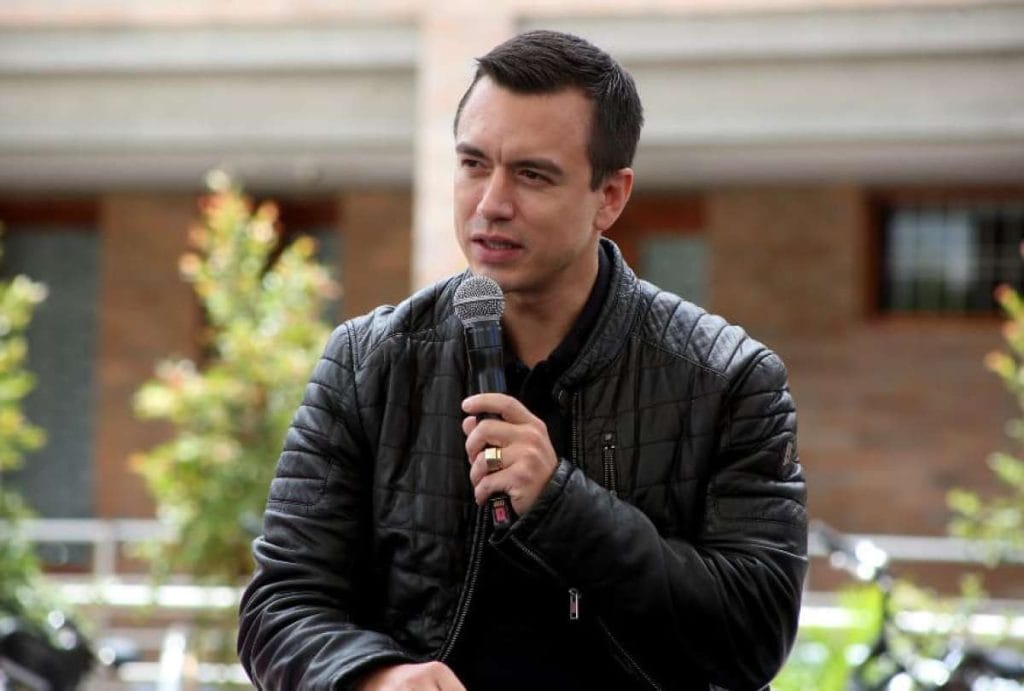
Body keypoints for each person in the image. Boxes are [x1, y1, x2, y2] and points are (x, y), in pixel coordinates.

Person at [237, 30, 807, 691]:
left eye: (532, 175)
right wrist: (375, 677)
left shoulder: (729, 379)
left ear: (610, 196)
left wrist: (562, 503)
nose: (491, 204)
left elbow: (754, 634)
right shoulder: (369, 362)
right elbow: (280, 605)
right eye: (474, 164)